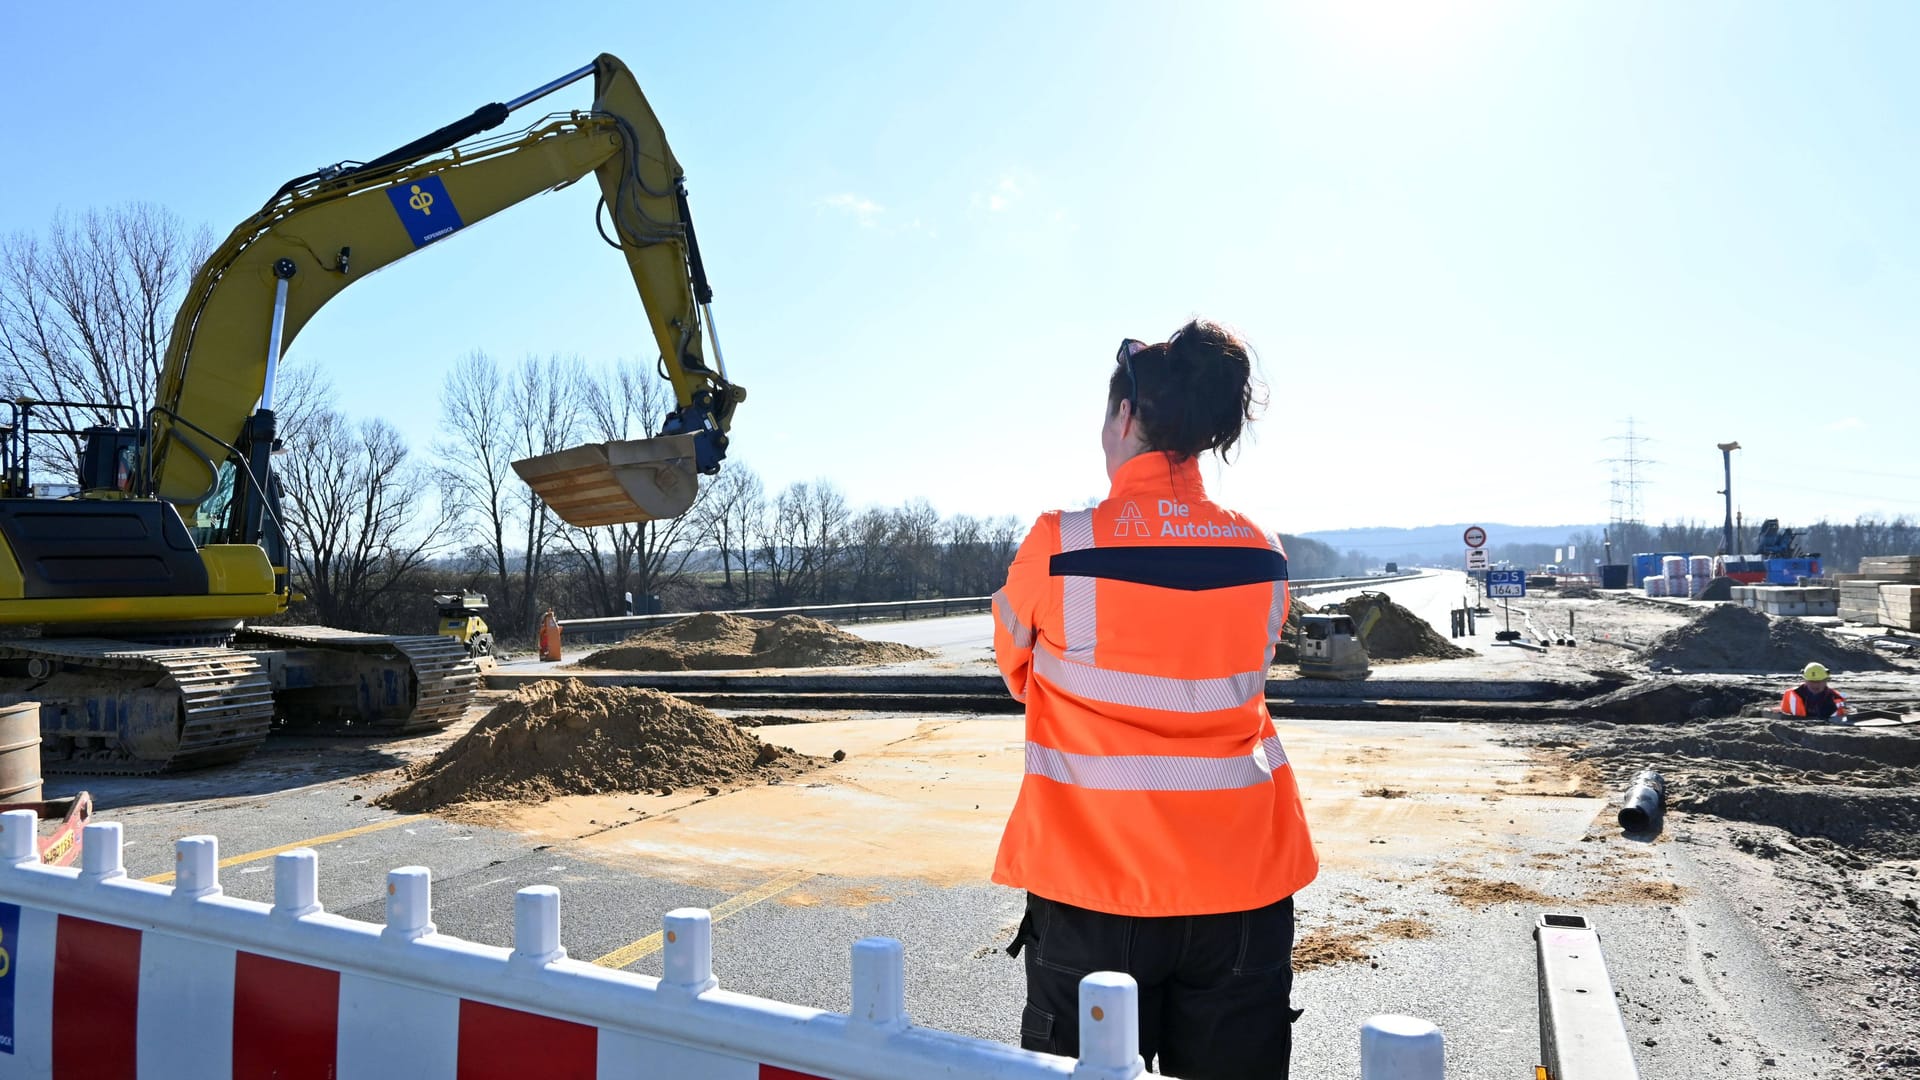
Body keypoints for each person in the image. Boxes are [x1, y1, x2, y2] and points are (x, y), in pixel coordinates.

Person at [991, 320, 1316, 1079]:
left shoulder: (1061, 543)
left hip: (1098, 894)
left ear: (1127, 419)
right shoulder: (1263, 555)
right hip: (1245, 889)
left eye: (1108, 417)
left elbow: (1017, 671)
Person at [1780, 662, 1848, 720]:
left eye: (1819, 681)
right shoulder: (1790, 694)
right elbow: (1783, 716)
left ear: (1826, 680)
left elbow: (1840, 720)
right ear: (1805, 680)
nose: (1815, 685)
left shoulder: (1838, 699)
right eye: (1811, 681)